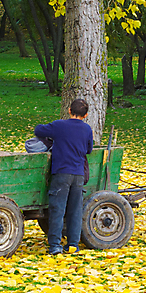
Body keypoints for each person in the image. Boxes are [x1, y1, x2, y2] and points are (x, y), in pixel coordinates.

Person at [34, 99, 93, 255]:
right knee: (75, 210)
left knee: (58, 209)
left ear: (69, 110)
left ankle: (55, 245)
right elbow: (89, 149)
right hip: (78, 174)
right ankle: (73, 244)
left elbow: (38, 130)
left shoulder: (59, 125)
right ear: (85, 115)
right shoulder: (87, 129)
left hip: (61, 172)